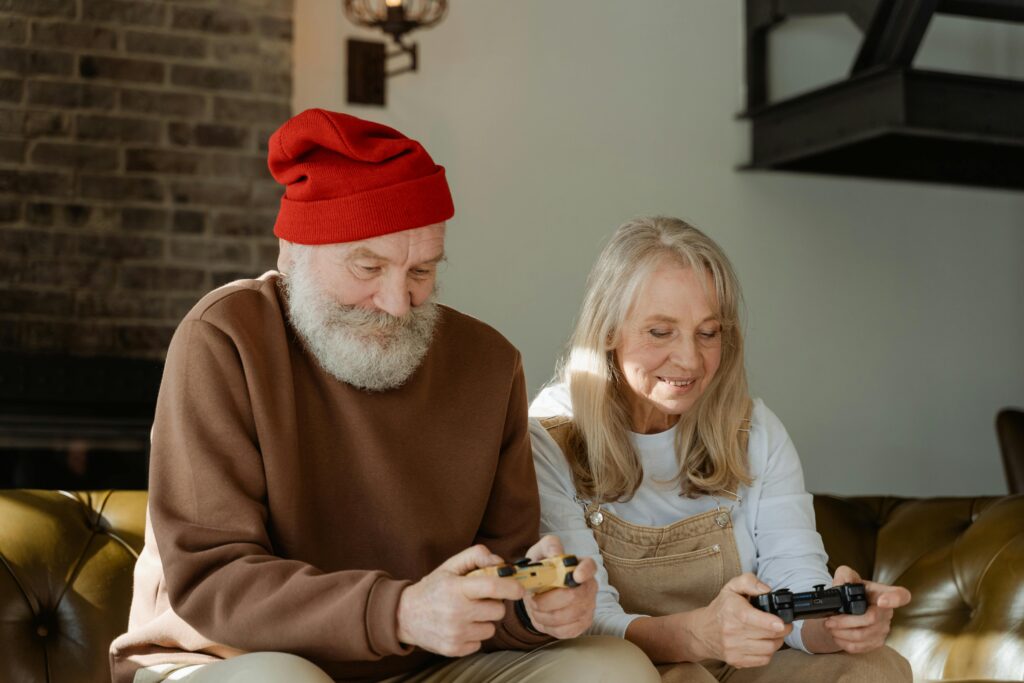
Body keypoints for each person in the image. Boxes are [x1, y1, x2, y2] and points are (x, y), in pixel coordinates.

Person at [110, 109, 659, 683]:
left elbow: (502, 569)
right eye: (368, 266)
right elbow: (213, 580)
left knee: (612, 669)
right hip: (223, 658)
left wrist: (534, 605)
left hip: (420, 667)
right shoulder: (224, 337)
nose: (398, 302)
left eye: (421, 272)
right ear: (292, 252)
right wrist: (397, 612)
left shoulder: (489, 363)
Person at [529, 216, 914, 682]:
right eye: (660, 332)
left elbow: (793, 575)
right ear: (608, 330)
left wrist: (831, 626)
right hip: (628, 667)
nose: (690, 360)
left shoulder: (755, 431)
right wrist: (697, 636)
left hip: (740, 667)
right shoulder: (551, 436)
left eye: (708, 332)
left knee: (876, 667)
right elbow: (587, 621)